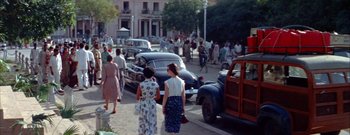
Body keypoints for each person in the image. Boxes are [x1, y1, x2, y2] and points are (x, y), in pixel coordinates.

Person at [162, 63, 186, 134]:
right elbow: (183, 95)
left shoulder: (167, 82)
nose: (167, 71)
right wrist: (183, 106)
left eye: (168, 70)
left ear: (171, 71)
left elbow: (166, 95)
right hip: (179, 102)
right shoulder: (182, 81)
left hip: (170, 102)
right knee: (176, 121)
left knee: (169, 121)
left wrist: (163, 106)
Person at [136, 67, 160, 135]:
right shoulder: (155, 85)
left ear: (144, 74)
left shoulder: (141, 85)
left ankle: (143, 132)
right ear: (152, 75)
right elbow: (158, 97)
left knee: (143, 120)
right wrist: (151, 98)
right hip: (152, 104)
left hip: (143, 104)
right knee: (151, 120)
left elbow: (137, 97)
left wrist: (143, 97)